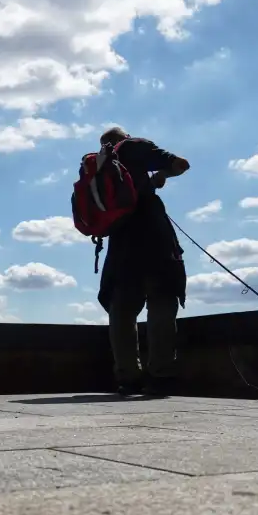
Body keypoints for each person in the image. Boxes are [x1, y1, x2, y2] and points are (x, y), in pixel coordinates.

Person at [95, 126, 190, 396]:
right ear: (123, 137)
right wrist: (161, 175)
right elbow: (181, 164)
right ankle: (160, 375)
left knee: (122, 312)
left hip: (121, 245)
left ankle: (128, 377)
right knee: (161, 302)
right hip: (154, 238)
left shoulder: (100, 164)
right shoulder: (135, 146)